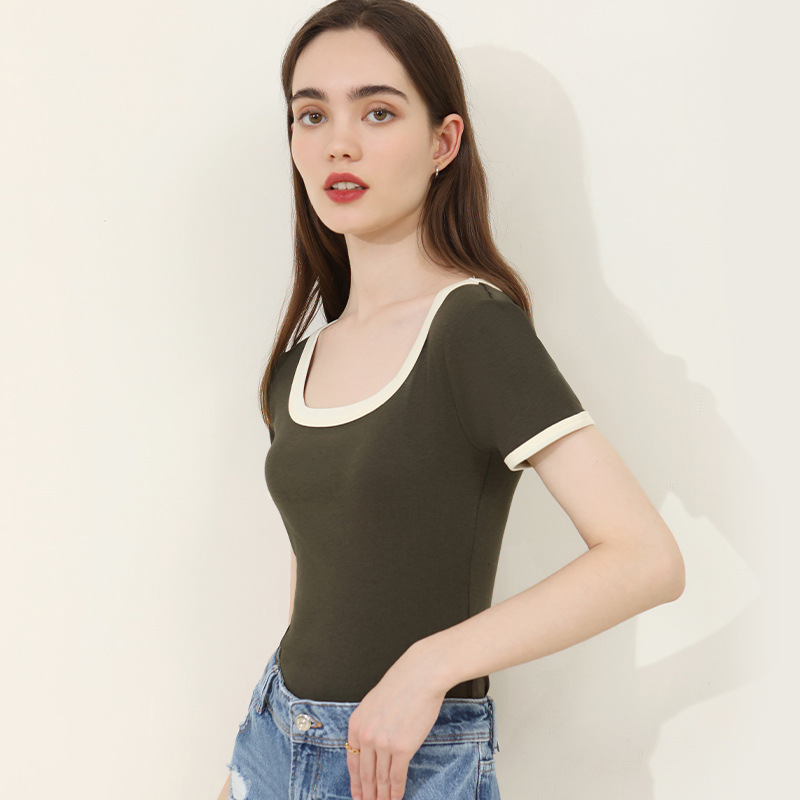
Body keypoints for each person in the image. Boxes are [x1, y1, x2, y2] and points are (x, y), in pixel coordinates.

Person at [216, 1, 686, 799]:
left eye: (377, 111)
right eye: (311, 114)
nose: (338, 143)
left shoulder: (472, 329)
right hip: (273, 738)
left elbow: (646, 558)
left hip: (405, 762)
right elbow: (318, 577)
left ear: (444, 142)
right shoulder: (297, 361)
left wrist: (430, 665)